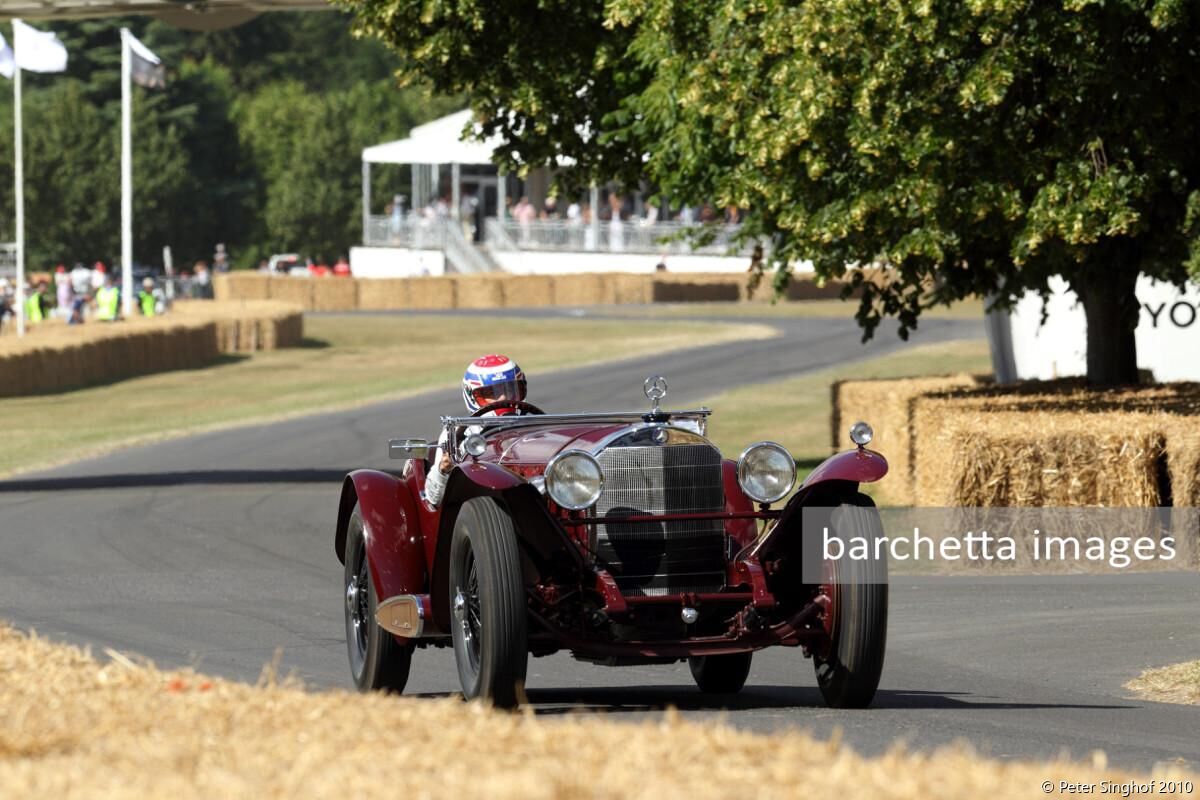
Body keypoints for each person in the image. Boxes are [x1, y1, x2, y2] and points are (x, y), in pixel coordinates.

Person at [424, 355, 529, 508]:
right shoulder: (457, 433)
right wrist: (443, 471)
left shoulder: (534, 421)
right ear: (472, 397)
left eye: (510, 389)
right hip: (480, 507)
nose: (503, 398)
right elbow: (434, 500)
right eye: (491, 393)